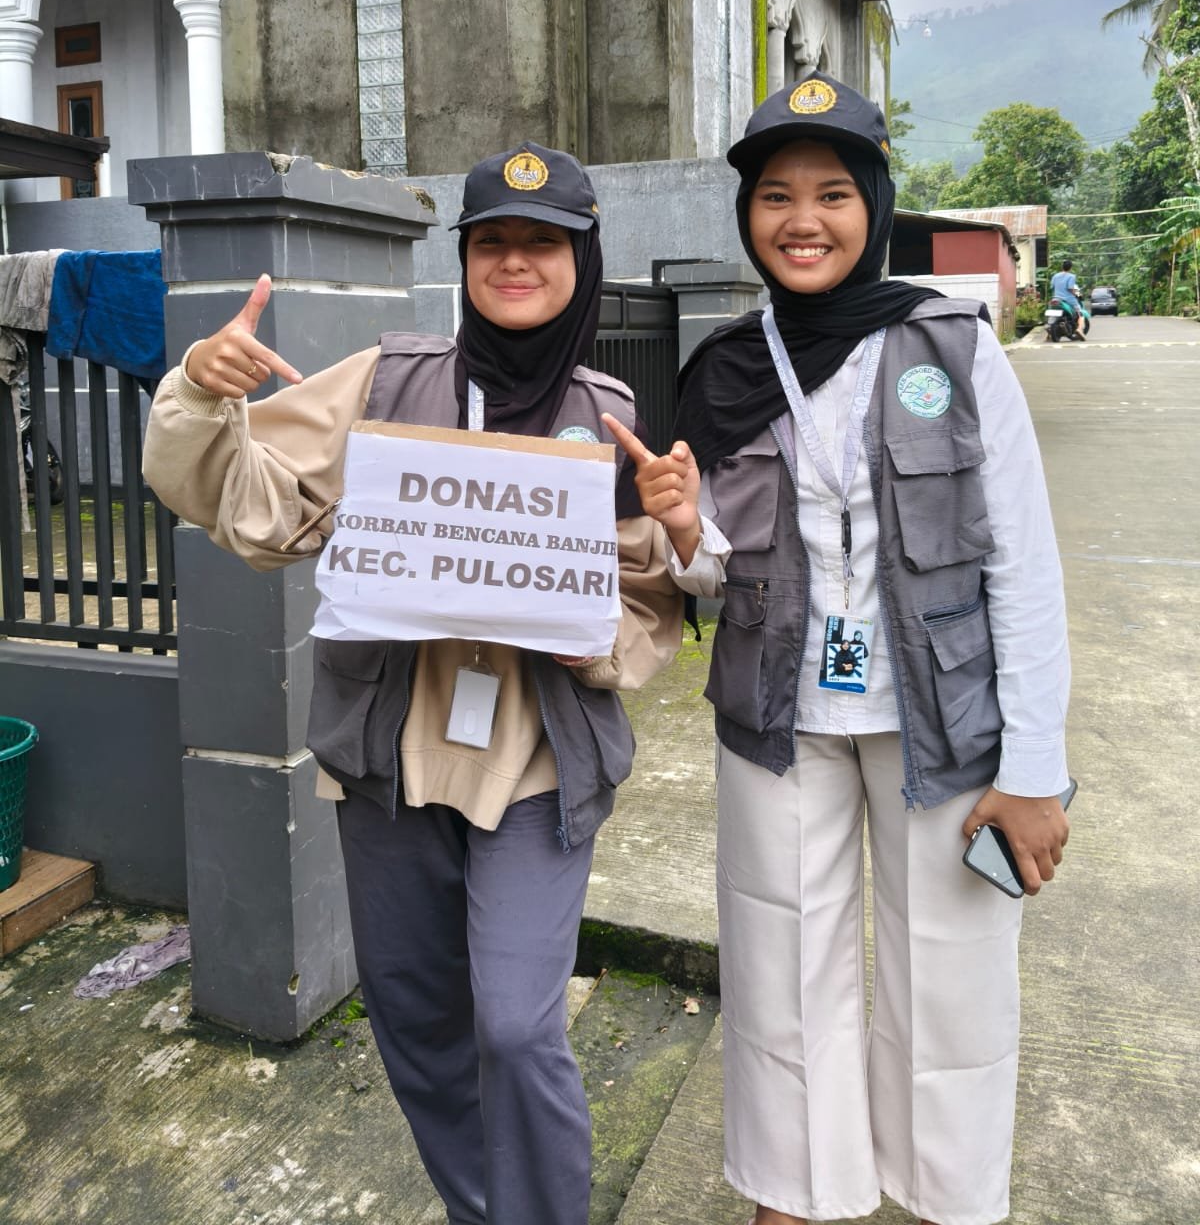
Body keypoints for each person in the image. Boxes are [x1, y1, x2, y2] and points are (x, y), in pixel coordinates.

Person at [143, 142, 682, 1225]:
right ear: (465, 258)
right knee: (419, 1018)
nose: (517, 261)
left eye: (545, 241)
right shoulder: (387, 381)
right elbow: (253, 505)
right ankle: (484, 1206)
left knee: (518, 1024)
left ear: (584, 258)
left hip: (535, 763)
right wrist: (203, 393)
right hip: (390, 755)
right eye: (494, 241)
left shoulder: (610, 412)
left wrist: (639, 561)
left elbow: (643, 616)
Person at [603, 75, 1071, 1225]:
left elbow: (1023, 562)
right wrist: (679, 527)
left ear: (873, 202)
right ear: (747, 216)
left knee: (950, 984)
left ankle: (948, 1200)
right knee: (782, 972)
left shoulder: (953, 348)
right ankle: (795, 1197)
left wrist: (1035, 769)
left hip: (944, 720)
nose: (801, 220)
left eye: (830, 193)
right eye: (774, 196)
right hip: (779, 718)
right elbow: (715, 575)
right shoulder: (725, 368)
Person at [1049, 258, 1086, 339]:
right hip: (1068, 299)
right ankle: (1079, 329)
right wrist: (1078, 295)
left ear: (1062, 267)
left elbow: (1052, 287)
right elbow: (1071, 288)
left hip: (1056, 298)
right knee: (1081, 314)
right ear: (1070, 268)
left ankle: (1049, 335)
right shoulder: (1071, 276)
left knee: (1052, 315)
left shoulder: (1055, 276)